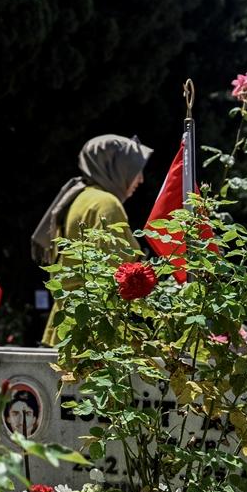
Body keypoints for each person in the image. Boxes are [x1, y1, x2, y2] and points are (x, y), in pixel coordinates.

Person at [32, 134, 152, 347]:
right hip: (95, 334)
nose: (141, 179)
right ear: (116, 167)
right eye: (135, 170)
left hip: (66, 326)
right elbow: (113, 276)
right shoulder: (106, 204)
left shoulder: (80, 197)